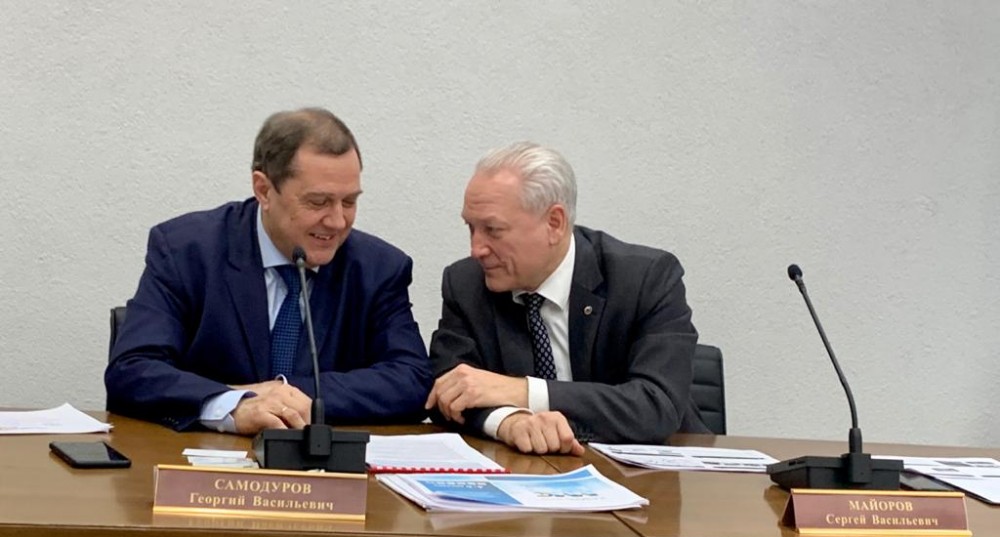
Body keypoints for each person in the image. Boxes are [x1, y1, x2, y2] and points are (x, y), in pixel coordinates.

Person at [106, 108, 433, 434]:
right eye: (318, 202)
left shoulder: (378, 269)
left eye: (349, 202)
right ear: (263, 190)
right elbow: (132, 370)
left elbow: (412, 380)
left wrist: (288, 395)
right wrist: (233, 404)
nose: (337, 221)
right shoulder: (188, 251)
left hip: (320, 460)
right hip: (200, 458)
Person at [426, 142, 707, 455]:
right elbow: (448, 390)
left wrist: (524, 392)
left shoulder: (645, 279)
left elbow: (656, 405)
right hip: (532, 471)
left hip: (652, 473)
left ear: (554, 223)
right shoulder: (466, 284)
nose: (476, 249)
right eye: (471, 227)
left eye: (493, 230)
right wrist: (509, 421)